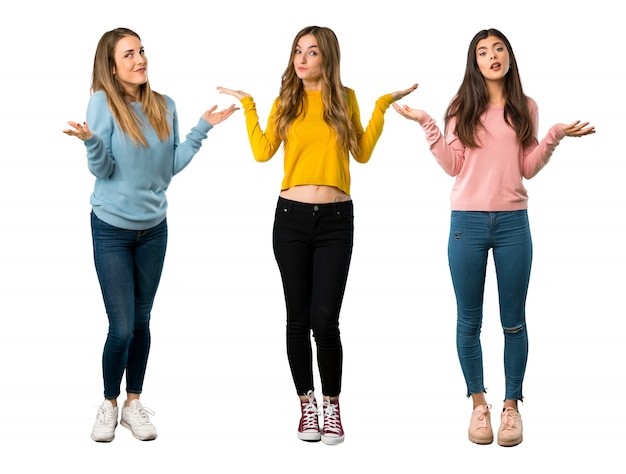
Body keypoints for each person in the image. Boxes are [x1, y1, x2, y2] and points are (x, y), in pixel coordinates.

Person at [393, 28, 594, 447]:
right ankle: (478, 404)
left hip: (512, 225)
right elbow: (453, 165)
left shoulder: (526, 107)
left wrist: (554, 134)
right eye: (483, 52)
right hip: (466, 222)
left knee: (513, 322)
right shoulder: (460, 107)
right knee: (469, 320)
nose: (492, 56)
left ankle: (511, 408)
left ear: (508, 56)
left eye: (498, 48)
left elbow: (527, 166)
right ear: (475, 62)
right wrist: (427, 123)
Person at [218, 25, 417, 445]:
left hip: (335, 220)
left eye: (311, 52)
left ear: (327, 57)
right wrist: (250, 106)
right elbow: (262, 152)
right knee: (298, 318)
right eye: (297, 51)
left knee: (325, 321)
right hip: (289, 218)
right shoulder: (285, 101)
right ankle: (306, 405)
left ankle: (332, 406)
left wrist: (381, 106)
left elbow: (360, 153)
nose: (301, 59)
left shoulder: (346, 99)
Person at [63, 27, 238, 442]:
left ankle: (133, 404)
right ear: (111, 65)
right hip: (111, 229)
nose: (139, 60)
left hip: (154, 230)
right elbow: (104, 170)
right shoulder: (103, 103)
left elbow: (167, 169)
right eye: (128, 55)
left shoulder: (165, 105)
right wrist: (90, 141)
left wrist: (202, 128)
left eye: (141, 51)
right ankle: (107, 404)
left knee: (142, 321)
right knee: (120, 326)